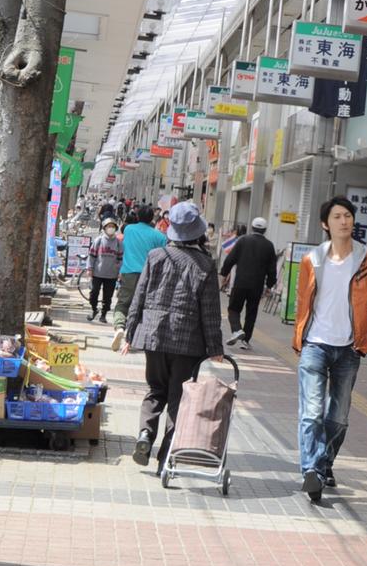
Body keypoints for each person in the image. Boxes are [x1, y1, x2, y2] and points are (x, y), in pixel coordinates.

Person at [293, 196, 367, 503]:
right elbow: (303, 301)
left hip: (349, 348)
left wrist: (365, 339)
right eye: (337, 216)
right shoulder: (312, 260)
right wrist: (300, 337)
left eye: (348, 215)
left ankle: (324, 461)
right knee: (311, 413)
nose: (344, 221)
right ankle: (313, 471)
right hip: (315, 345)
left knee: (339, 417)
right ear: (325, 224)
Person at [123, 200, 224, 472]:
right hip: (187, 342)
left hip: (153, 336)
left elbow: (139, 296)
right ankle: (165, 458)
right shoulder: (205, 264)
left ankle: (145, 434)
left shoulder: (156, 256)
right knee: (179, 398)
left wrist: (130, 333)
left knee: (155, 390)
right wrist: (215, 347)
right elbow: (210, 311)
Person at [110, 204, 166, 351]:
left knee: (123, 303)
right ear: (152, 218)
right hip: (149, 275)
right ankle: (133, 336)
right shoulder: (159, 236)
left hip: (128, 273)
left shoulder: (129, 229)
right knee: (143, 306)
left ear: (137, 216)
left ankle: (119, 327)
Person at [220, 217, 277, 349]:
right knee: (251, 312)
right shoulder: (269, 245)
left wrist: (224, 273)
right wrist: (269, 285)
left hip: (240, 282)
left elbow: (230, 259)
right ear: (265, 230)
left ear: (252, 227)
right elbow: (272, 269)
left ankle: (237, 329)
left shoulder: (243, 240)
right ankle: (245, 340)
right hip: (257, 285)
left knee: (234, 308)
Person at [88, 219, 122, 323]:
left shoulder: (118, 243)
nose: (111, 228)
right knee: (94, 293)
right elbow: (92, 256)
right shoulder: (98, 240)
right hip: (97, 273)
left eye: (113, 226)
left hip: (112, 274)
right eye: (108, 226)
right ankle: (94, 309)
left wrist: (120, 271)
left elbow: (121, 259)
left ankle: (103, 314)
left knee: (108, 296)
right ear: (104, 228)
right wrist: (90, 268)